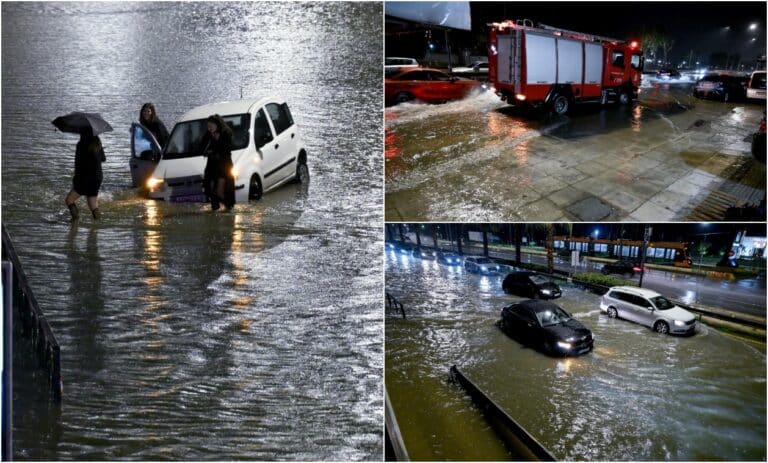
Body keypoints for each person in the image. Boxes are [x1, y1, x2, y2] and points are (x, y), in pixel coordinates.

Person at [65, 128, 106, 221]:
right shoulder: (97, 143)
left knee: (69, 200)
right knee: (93, 204)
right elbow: (103, 159)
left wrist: (75, 180)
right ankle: (98, 223)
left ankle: (75, 221)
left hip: (85, 178)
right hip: (98, 177)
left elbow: (78, 164)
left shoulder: (81, 144)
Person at [200, 114, 235, 211]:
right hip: (212, 166)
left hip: (224, 166)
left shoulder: (226, 134)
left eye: (211, 126)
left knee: (220, 191)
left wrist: (216, 142)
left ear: (217, 125)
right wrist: (207, 151)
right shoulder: (208, 135)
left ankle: (228, 206)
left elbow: (227, 148)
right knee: (211, 190)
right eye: (208, 126)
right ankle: (215, 209)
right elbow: (201, 147)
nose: (209, 128)